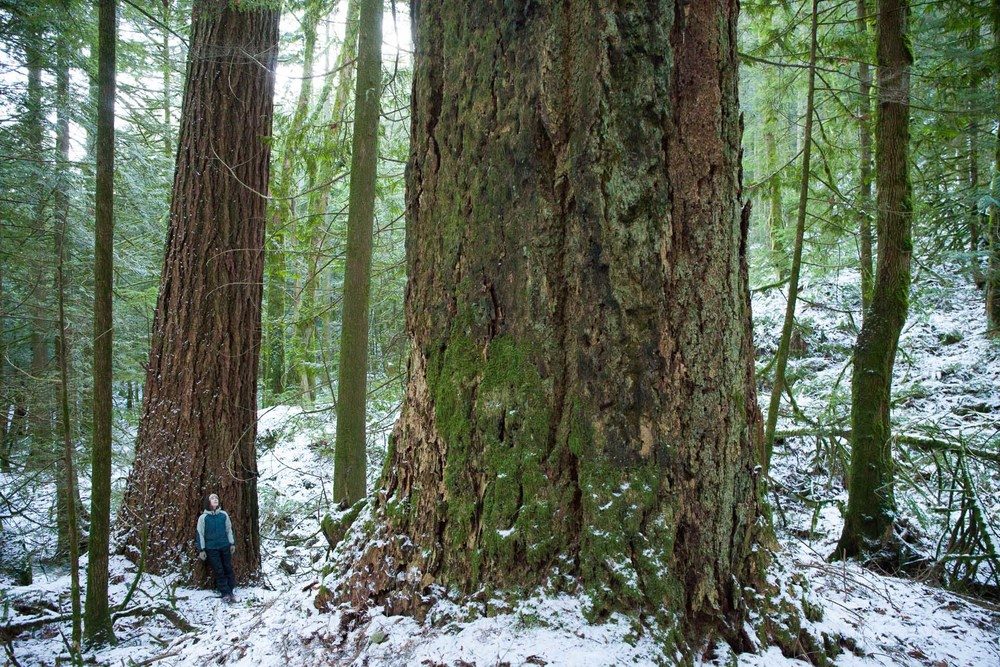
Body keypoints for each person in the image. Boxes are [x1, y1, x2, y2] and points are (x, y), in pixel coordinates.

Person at [195, 493, 237, 602]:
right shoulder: (203, 518)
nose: (215, 499)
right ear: (208, 502)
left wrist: (231, 543)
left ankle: (231, 591)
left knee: (228, 568)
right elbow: (200, 534)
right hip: (211, 548)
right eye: (212, 498)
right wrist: (202, 549)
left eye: (217, 498)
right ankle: (225, 593)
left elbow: (229, 529)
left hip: (225, 546)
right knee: (219, 570)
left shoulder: (224, 515)